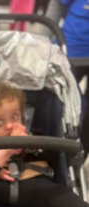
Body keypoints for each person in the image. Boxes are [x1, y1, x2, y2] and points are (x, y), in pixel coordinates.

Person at [0, 80, 89, 207]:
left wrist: (30, 143)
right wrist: (7, 149)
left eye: (14, 117)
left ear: (23, 117)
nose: (9, 126)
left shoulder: (37, 138)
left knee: (66, 198)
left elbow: (55, 159)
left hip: (42, 190)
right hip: (3, 192)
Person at [39, 0, 89, 159]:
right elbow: (54, 10)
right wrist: (41, 44)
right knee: (59, 104)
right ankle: (52, 155)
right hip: (71, 52)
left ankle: (79, 162)